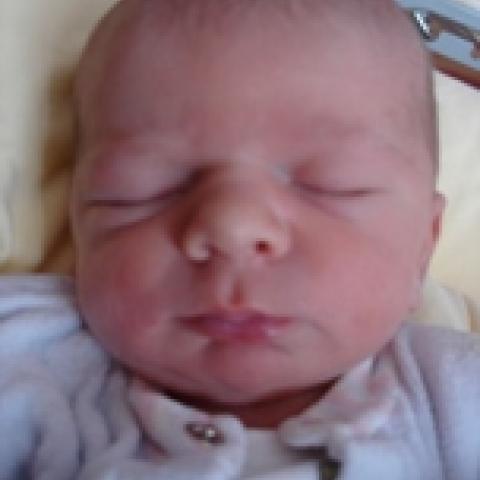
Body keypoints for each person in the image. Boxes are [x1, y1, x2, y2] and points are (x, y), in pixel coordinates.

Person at [1, 0, 479, 478]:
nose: (232, 227)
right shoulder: (29, 354)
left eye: (333, 185)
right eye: (144, 188)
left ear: (423, 247)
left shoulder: (453, 389)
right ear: (78, 221)